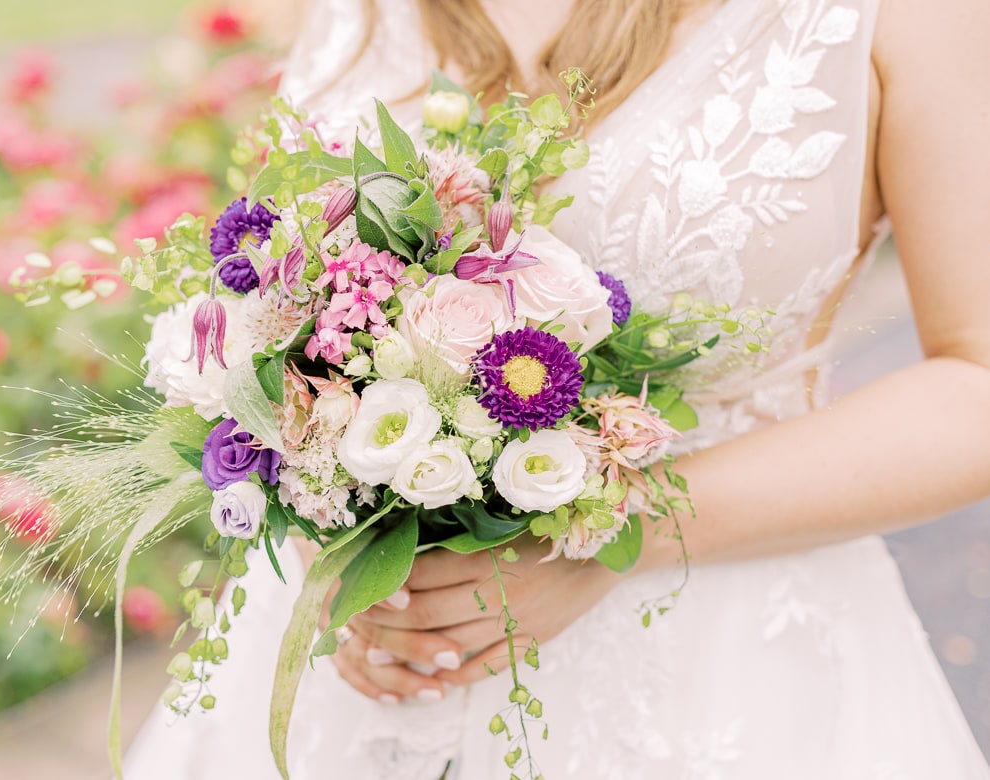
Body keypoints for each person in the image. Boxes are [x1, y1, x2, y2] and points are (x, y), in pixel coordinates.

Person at [125, 0, 990, 776]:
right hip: (353, 669)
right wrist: (330, 529)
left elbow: (975, 381)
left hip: (715, 654)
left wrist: (624, 528)